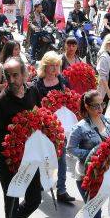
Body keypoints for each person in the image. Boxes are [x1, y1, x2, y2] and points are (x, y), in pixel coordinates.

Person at [0, 58, 42, 218]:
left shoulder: (32, 92)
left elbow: (40, 115)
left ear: (24, 74)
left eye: (15, 75)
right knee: (11, 203)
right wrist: (14, 148)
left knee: (35, 199)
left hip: (32, 159)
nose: (11, 80)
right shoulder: (0, 101)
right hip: (10, 162)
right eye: (7, 76)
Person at [67, 90, 110, 218]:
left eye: (102, 104)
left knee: (91, 205)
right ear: (87, 107)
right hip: (86, 175)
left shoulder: (108, 122)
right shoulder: (80, 127)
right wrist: (92, 153)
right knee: (95, 209)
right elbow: (70, 149)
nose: (100, 108)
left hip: (105, 174)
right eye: (95, 105)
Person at [33, 51, 75, 204]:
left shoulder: (62, 81)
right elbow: (34, 106)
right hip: (44, 126)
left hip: (61, 126)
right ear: (45, 66)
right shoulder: (37, 83)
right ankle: (40, 183)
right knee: (43, 157)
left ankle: (61, 190)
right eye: (51, 65)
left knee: (61, 158)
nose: (54, 68)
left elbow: (70, 99)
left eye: (56, 65)